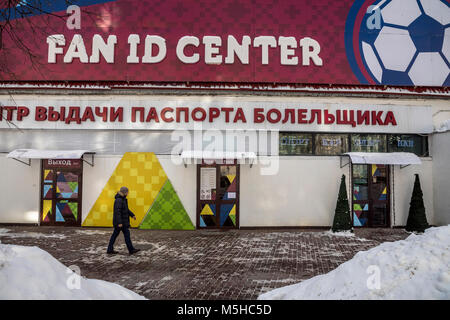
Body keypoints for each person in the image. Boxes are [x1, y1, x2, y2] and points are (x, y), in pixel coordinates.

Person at [107, 186, 140, 255]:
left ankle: (110, 249)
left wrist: (132, 215)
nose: (128, 193)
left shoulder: (122, 199)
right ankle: (131, 250)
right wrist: (119, 222)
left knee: (115, 235)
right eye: (127, 192)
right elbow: (117, 212)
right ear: (124, 192)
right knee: (126, 235)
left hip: (122, 222)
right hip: (121, 222)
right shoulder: (119, 200)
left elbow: (126, 209)